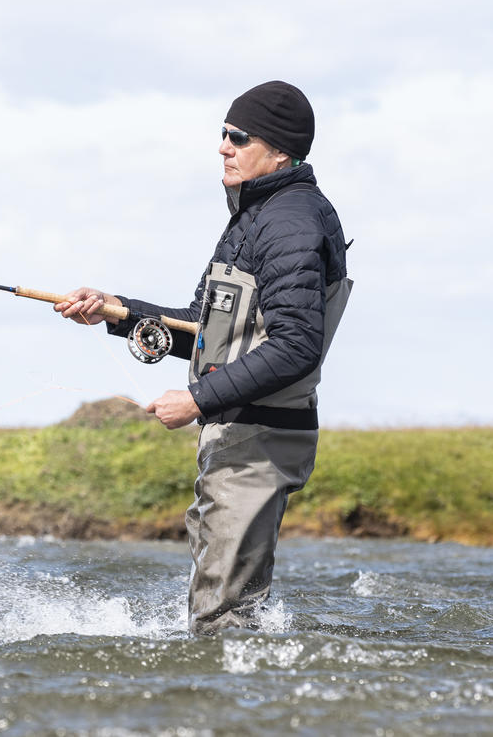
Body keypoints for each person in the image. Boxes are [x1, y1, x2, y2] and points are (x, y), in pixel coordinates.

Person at [54, 81, 352, 635]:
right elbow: (202, 327)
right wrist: (115, 312)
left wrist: (196, 399)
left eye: (238, 137)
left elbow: (297, 346)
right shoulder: (255, 217)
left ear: (279, 152)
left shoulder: (290, 222)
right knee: (220, 620)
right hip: (239, 437)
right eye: (223, 134)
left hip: (259, 442)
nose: (223, 147)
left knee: (222, 625)